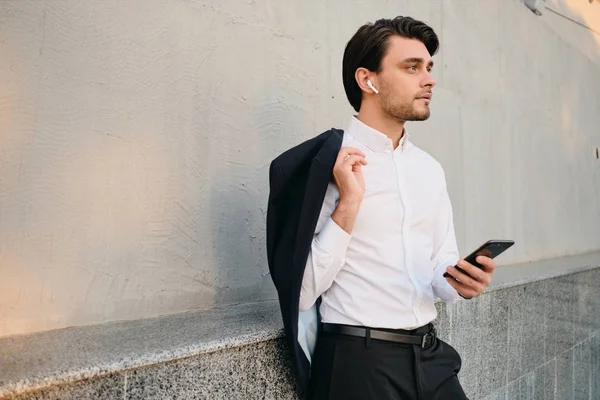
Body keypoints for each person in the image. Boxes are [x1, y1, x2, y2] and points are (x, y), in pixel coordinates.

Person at [266, 16, 495, 400]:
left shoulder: (429, 169)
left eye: (428, 67)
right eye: (412, 67)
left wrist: (460, 282)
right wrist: (349, 204)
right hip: (358, 363)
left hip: (431, 358)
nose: (429, 79)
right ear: (367, 80)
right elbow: (300, 293)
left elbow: (439, 265)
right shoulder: (325, 164)